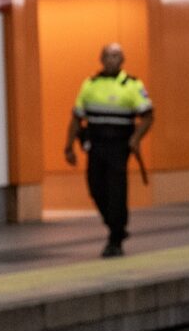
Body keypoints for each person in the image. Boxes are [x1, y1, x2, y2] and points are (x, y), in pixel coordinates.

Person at [65, 41, 152, 256]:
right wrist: (68, 147)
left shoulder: (132, 85)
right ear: (101, 59)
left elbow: (148, 116)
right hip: (96, 145)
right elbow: (76, 118)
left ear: (122, 60)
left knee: (116, 191)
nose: (111, 60)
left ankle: (115, 237)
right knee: (95, 188)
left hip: (119, 146)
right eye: (108, 56)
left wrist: (136, 138)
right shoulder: (90, 84)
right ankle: (115, 226)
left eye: (116, 56)